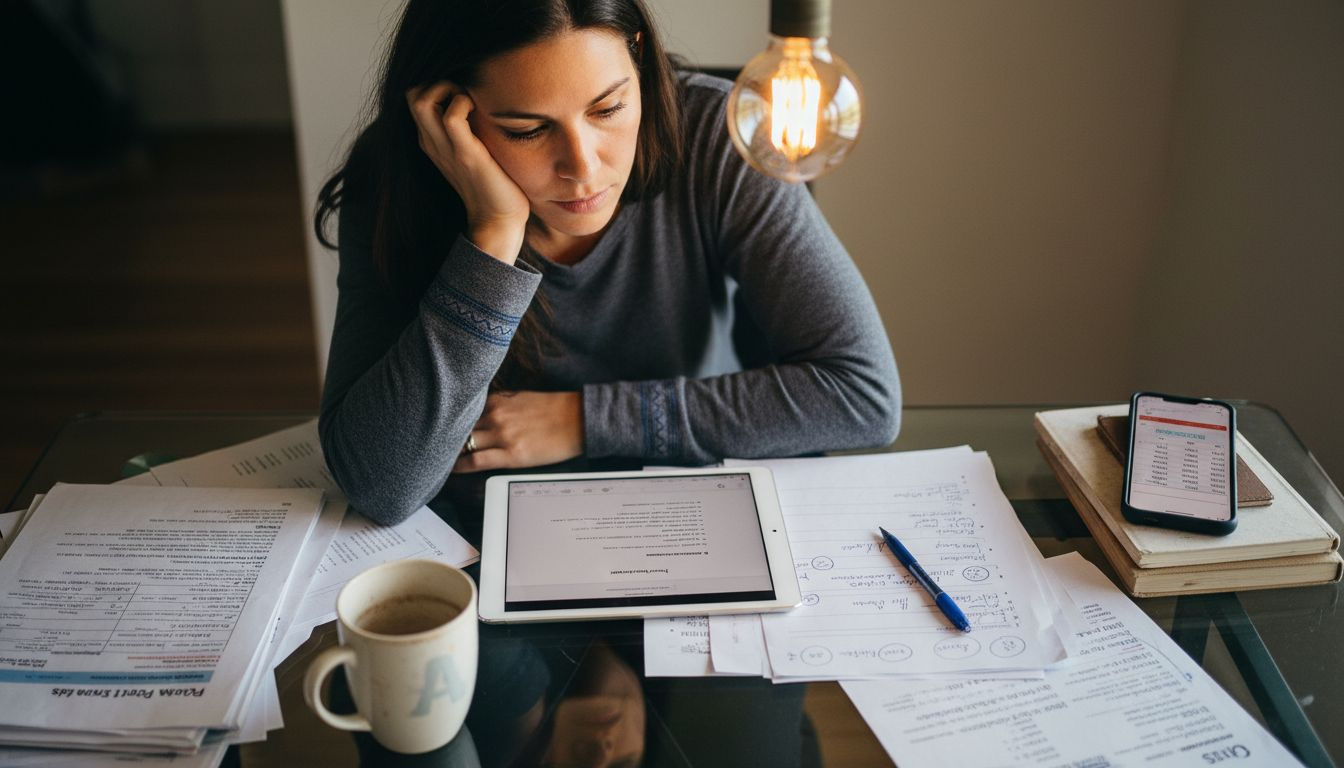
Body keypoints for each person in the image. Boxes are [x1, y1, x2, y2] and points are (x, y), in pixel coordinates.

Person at [315, 0, 900, 527]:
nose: (584, 167)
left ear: (638, 61)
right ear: (449, 117)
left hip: (691, 499)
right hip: (499, 527)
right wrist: (492, 236)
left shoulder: (717, 137)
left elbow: (864, 396)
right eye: (527, 130)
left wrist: (584, 419)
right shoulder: (395, 177)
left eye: (609, 108)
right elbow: (381, 487)